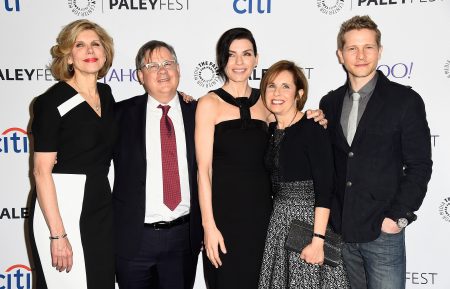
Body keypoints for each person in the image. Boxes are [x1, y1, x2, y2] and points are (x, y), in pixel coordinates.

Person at [195, 28, 327, 289]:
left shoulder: (267, 103)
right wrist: (209, 226)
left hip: (264, 218)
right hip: (223, 218)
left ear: (256, 59)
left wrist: (315, 116)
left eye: (246, 54)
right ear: (222, 60)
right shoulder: (208, 104)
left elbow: (294, 125)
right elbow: (204, 170)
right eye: (231, 55)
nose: (239, 62)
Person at [320, 15, 432, 289]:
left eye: (368, 47)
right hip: (341, 234)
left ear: (379, 51)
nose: (360, 55)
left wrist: (397, 217)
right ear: (340, 55)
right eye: (352, 48)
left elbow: (420, 166)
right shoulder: (329, 102)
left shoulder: (405, 100)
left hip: (383, 235)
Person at [29, 19, 116, 289]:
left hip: (100, 208)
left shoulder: (106, 93)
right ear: (68, 55)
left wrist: (173, 98)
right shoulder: (50, 102)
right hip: (62, 209)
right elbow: (41, 171)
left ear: (105, 52)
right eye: (80, 45)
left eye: (95, 44)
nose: (89, 50)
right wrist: (58, 235)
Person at [113, 40, 202, 289]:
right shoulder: (119, 115)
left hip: (183, 238)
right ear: (140, 76)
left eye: (168, 63)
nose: (162, 71)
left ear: (178, 69)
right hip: (134, 239)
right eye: (152, 65)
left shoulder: (199, 112)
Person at [258, 60, 349, 289]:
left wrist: (318, 240)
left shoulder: (313, 128)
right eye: (271, 86)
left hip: (307, 225)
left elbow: (325, 188)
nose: (277, 93)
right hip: (279, 223)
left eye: (285, 87)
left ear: (299, 94)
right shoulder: (271, 131)